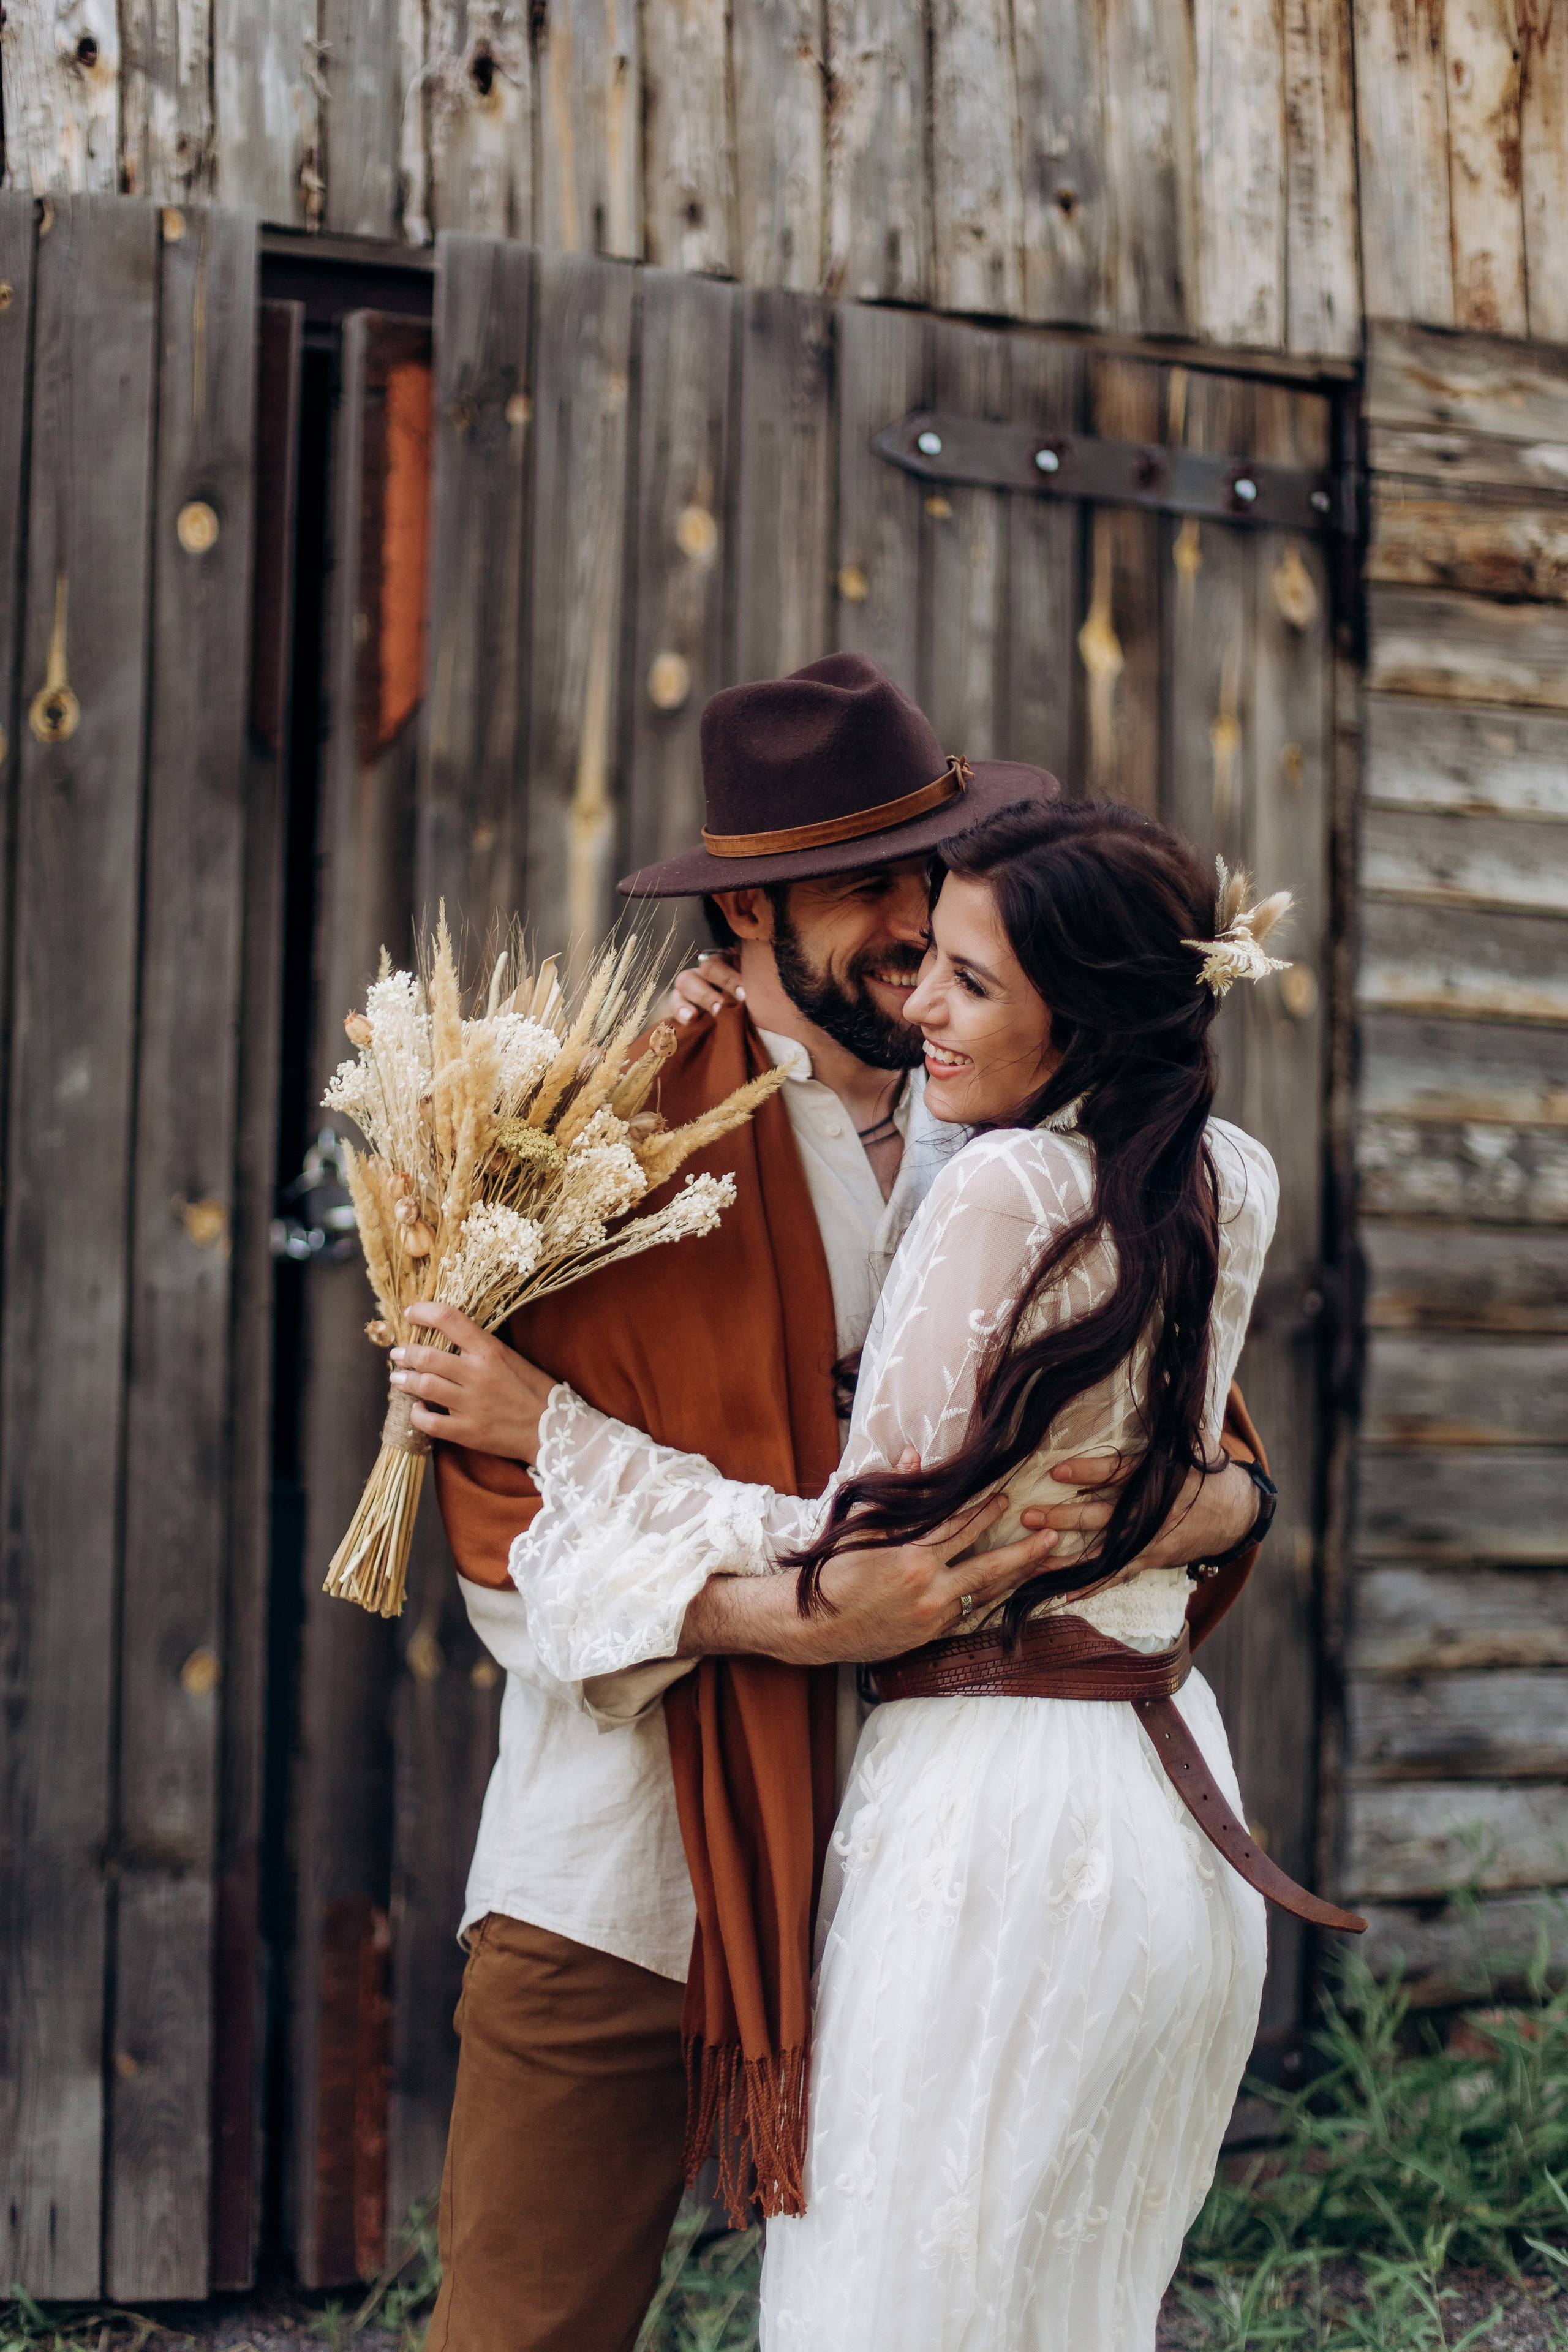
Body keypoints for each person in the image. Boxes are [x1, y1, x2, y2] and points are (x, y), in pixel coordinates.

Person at [393, 660, 1270, 2352]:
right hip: (637, 1841)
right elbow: (508, 1539)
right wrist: (796, 1613)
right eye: (864, 887)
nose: (909, 920)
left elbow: (1188, 1443)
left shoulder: (1022, 1114)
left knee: (934, 2298)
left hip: (938, 1838)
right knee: (526, 2324)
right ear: (747, 911)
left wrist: (1218, 1506)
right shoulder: (592, 1143)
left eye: (927, 875)